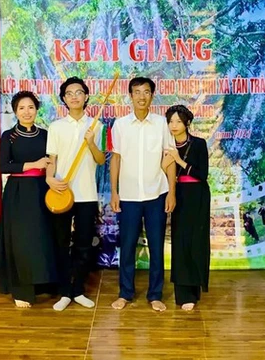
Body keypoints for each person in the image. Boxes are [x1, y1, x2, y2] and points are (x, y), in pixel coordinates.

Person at [110, 77, 176, 312]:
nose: (141, 96)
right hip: (128, 196)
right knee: (127, 246)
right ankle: (125, 293)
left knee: (156, 246)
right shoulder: (120, 125)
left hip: (157, 194)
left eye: (146, 92)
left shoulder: (161, 124)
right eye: (137, 92)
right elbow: (116, 158)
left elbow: (169, 159)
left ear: (152, 95)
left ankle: (155, 295)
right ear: (130, 96)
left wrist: (171, 192)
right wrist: (114, 191)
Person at [46, 77, 106, 311]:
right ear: (64, 98)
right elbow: (52, 159)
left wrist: (91, 143)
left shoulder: (96, 125)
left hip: (86, 194)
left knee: (83, 245)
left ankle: (78, 290)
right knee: (60, 243)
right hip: (61, 192)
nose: (74, 97)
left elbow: (100, 160)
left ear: (86, 96)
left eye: (78, 92)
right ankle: (64, 292)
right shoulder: (56, 127)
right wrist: (49, 179)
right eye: (69, 93)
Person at [0, 91, 55, 308]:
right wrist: (33, 164)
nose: (27, 112)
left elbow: (53, 161)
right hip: (18, 192)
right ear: (15, 111)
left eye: (31, 107)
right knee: (20, 240)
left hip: (42, 189)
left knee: (41, 238)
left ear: (37, 110)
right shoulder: (8, 136)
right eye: (21, 108)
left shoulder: (46, 134)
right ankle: (20, 290)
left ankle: (42, 284)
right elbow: (3, 166)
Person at [163, 105, 210, 311]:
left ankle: (194, 290)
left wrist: (179, 160)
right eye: (170, 121)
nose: (174, 126)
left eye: (178, 121)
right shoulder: (167, 145)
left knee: (196, 241)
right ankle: (182, 293)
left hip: (197, 195)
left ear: (187, 123)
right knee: (180, 242)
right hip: (178, 194)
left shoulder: (199, 144)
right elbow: (162, 170)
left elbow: (202, 174)